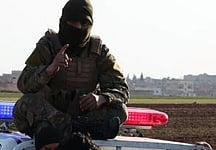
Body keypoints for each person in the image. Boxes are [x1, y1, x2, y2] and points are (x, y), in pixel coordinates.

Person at [12, 0, 129, 140]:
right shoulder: (48, 45)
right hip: (51, 113)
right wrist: (49, 70)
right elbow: (23, 84)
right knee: (25, 103)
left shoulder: (99, 51)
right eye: (74, 22)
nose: (79, 27)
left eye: (84, 23)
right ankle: (69, 129)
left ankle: (75, 128)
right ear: (64, 22)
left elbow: (121, 88)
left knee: (120, 109)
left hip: (84, 114)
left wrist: (101, 98)